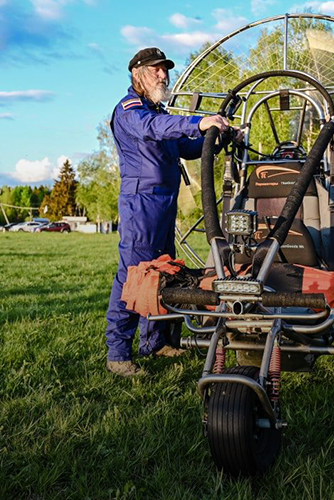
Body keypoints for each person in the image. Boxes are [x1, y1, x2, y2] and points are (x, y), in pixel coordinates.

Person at [105, 47, 234, 377]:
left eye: (165, 70)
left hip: (163, 203)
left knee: (165, 272)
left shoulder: (157, 112)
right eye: (156, 69)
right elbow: (154, 128)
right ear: (138, 73)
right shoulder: (130, 110)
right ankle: (118, 354)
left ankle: (157, 342)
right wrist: (198, 121)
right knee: (132, 276)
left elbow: (187, 147)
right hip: (141, 204)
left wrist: (217, 136)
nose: (164, 75)